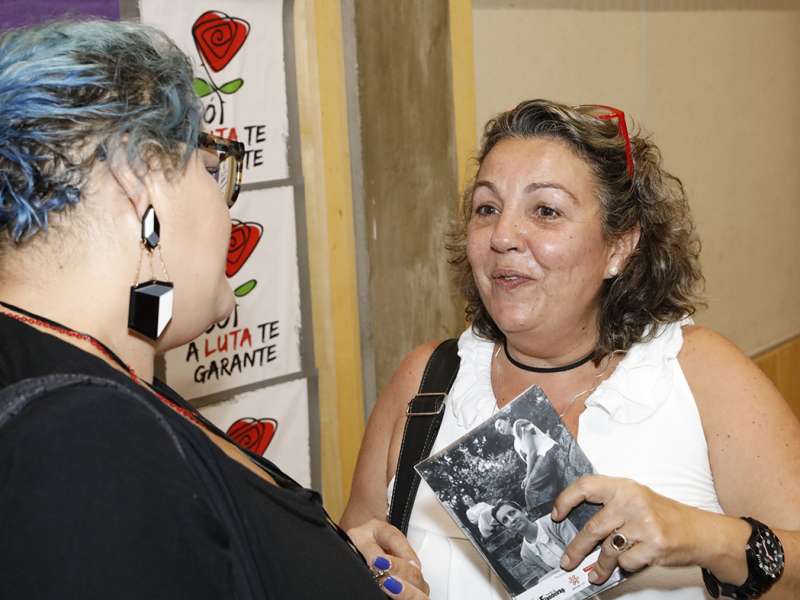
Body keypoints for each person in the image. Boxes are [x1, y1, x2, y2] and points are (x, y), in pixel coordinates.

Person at [0, 20, 427, 600]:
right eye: (208, 168)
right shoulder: (77, 440)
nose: (229, 207)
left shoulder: (94, 378)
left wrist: (321, 565)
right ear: (141, 186)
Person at [342, 99, 800, 599]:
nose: (503, 236)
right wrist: (363, 570)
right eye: (487, 208)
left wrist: (702, 537)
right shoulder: (427, 382)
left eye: (545, 210)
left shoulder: (700, 375)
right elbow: (357, 550)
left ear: (618, 246)